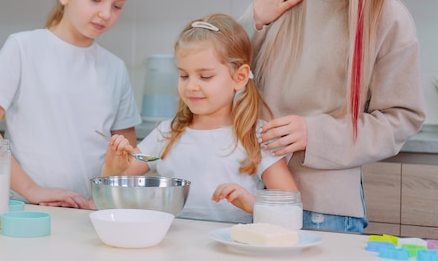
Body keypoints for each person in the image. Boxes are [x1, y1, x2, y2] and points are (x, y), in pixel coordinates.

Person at [238, 0, 426, 232]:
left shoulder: (386, 15)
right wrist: (256, 21)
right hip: (247, 193)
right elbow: (226, 70)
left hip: (323, 208)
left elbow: (402, 120)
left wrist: (315, 134)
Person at [0, 0, 142, 209]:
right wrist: (33, 190)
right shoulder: (23, 47)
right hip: (27, 207)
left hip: (88, 211)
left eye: (117, 6)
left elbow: (126, 150)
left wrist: (100, 200)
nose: (106, 13)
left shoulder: (115, 68)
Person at [101, 13, 298, 223]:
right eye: (184, 75)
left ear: (239, 77)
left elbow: (291, 207)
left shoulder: (257, 136)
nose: (191, 85)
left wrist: (254, 205)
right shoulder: (167, 133)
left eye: (205, 76)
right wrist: (113, 166)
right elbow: (116, 182)